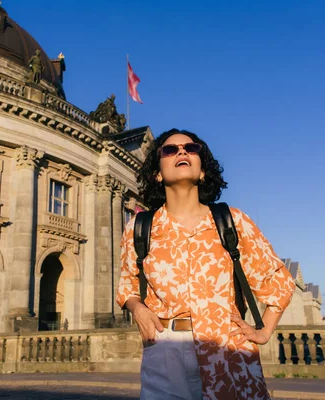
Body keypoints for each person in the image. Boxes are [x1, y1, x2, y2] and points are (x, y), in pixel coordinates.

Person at [116, 129, 296, 400]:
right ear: (157, 173)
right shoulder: (140, 228)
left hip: (228, 348)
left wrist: (265, 329)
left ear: (202, 171)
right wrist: (137, 308)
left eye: (191, 148)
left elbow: (279, 282)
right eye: (169, 149)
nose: (181, 152)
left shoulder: (232, 221)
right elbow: (127, 284)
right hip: (165, 350)